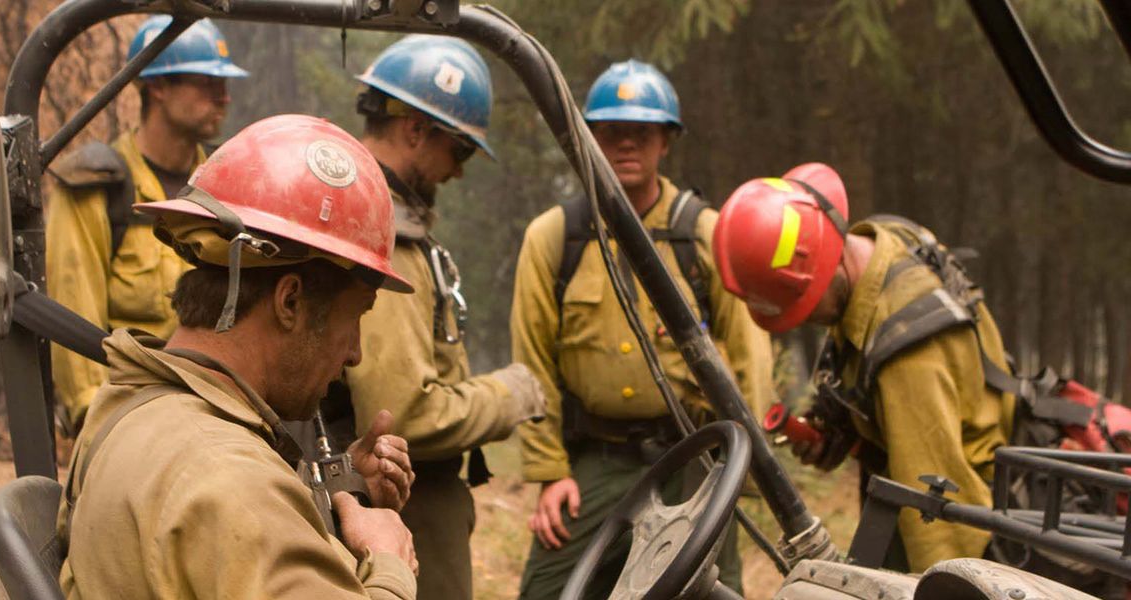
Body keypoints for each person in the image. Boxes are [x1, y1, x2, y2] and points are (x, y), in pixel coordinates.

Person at [57, 115, 420, 598]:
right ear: (289, 302)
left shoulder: (127, 407)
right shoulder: (227, 479)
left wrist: (343, 490)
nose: (354, 354)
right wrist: (389, 563)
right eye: (354, 318)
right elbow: (235, 504)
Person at [512, 60, 775, 599]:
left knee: (711, 593)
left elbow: (751, 355)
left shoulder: (704, 234)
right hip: (595, 462)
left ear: (666, 142)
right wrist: (548, 472)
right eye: (610, 133)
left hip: (696, 459)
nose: (625, 146)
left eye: (642, 133)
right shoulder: (554, 237)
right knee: (549, 591)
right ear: (587, 140)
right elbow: (532, 361)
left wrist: (743, 471)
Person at [711, 162, 1015, 572]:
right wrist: (842, 431)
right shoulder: (876, 246)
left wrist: (932, 587)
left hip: (964, 527)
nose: (801, 319)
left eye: (805, 302)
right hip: (905, 493)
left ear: (829, 263)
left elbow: (936, 519)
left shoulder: (909, 353)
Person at [340, 35, 546, 599]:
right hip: (400, 509)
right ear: (415, 129)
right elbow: (401, 413)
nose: (459, 173)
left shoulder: (371, 217)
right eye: (460, 151)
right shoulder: (385, 236)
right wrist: (510, 395)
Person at [46, 16, 247, 429]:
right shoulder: (98, 188)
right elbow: (74, 317)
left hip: (219, 419)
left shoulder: (227, 190)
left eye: (223, 85)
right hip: (129, 419)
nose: (224, 98)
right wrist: (98, 424)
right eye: (208, 84)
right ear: (157, 87)